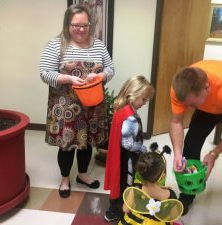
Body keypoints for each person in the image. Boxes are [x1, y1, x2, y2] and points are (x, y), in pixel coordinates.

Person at [39, 4, 114, 198]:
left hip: (93, 105)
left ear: (90, 24)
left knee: (87, 142)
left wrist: (100, 77)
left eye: (85, 25)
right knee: (67, 144)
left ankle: (82, 175)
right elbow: (45, 73)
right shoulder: (56, 44)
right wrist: (69, 79)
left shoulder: (98, 45)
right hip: (66, 107)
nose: (81, 29)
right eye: (76, 25)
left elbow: (110, 69)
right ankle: (65, 178)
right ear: (67, 24)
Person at [170, 60, 222, 225]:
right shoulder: (179, 88)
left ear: (207, 88)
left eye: (192, 104)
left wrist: (214, 153)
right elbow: (176, 122)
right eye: (186, 104)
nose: (188, 108)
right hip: (206, 105)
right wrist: (177, 152)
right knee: (190, 145)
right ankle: (187, 196)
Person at [104, 75, 155, 222]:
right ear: (132, 95)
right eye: (143, 99)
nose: (145, 103)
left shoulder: (120, 108)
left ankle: (112, 210)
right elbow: (128, 144)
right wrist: (142, 148)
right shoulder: (130, 118)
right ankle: (119, 212)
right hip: (126, 159)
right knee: (125, 183)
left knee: (117, 182)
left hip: (116, 155)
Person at [118, 152, 183, 225]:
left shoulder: (136, 189)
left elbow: (125, 209)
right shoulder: (170, 195)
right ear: (162, 176)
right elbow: (173, 217)